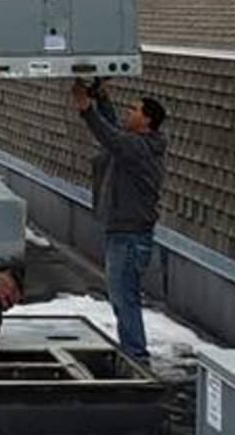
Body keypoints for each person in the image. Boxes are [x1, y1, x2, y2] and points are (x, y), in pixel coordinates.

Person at [71, 79, 167, 364]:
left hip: (129, 238)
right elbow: (115, 130)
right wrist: (102, 100)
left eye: (134, 109)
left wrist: (87, 109)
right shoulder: (138, 145)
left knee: (124, 299)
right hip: (128, 235)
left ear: (147, 120)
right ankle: (134, 352)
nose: (129, 112)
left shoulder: (139, 148)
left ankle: (136, 356)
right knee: (125, 297)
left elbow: (110, 137)